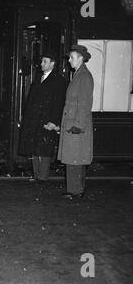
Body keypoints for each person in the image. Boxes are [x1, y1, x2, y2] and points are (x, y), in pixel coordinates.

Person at [18, 51, 67, 182]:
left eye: (45, 61)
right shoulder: (38, 77)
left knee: (45, 148)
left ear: (52, 63)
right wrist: (26, 116)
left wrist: (54, 121)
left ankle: (43, 176)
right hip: (34, 119)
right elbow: (31, 99)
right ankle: (36, 174)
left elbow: (59, 103)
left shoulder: (59, 80)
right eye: (41, 61)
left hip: (47, 119)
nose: (41, 64)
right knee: (35, 146)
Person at [58, 45, 94, 199]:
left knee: (75, 158)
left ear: (80, 58)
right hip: (72, 123)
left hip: (76, 125)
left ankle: (75, 191)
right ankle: (75, 189)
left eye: (72, 57)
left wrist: (78, 126)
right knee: (74, 158)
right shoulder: (79, 75)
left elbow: (85, 103)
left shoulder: (84, 76)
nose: (69, 60)